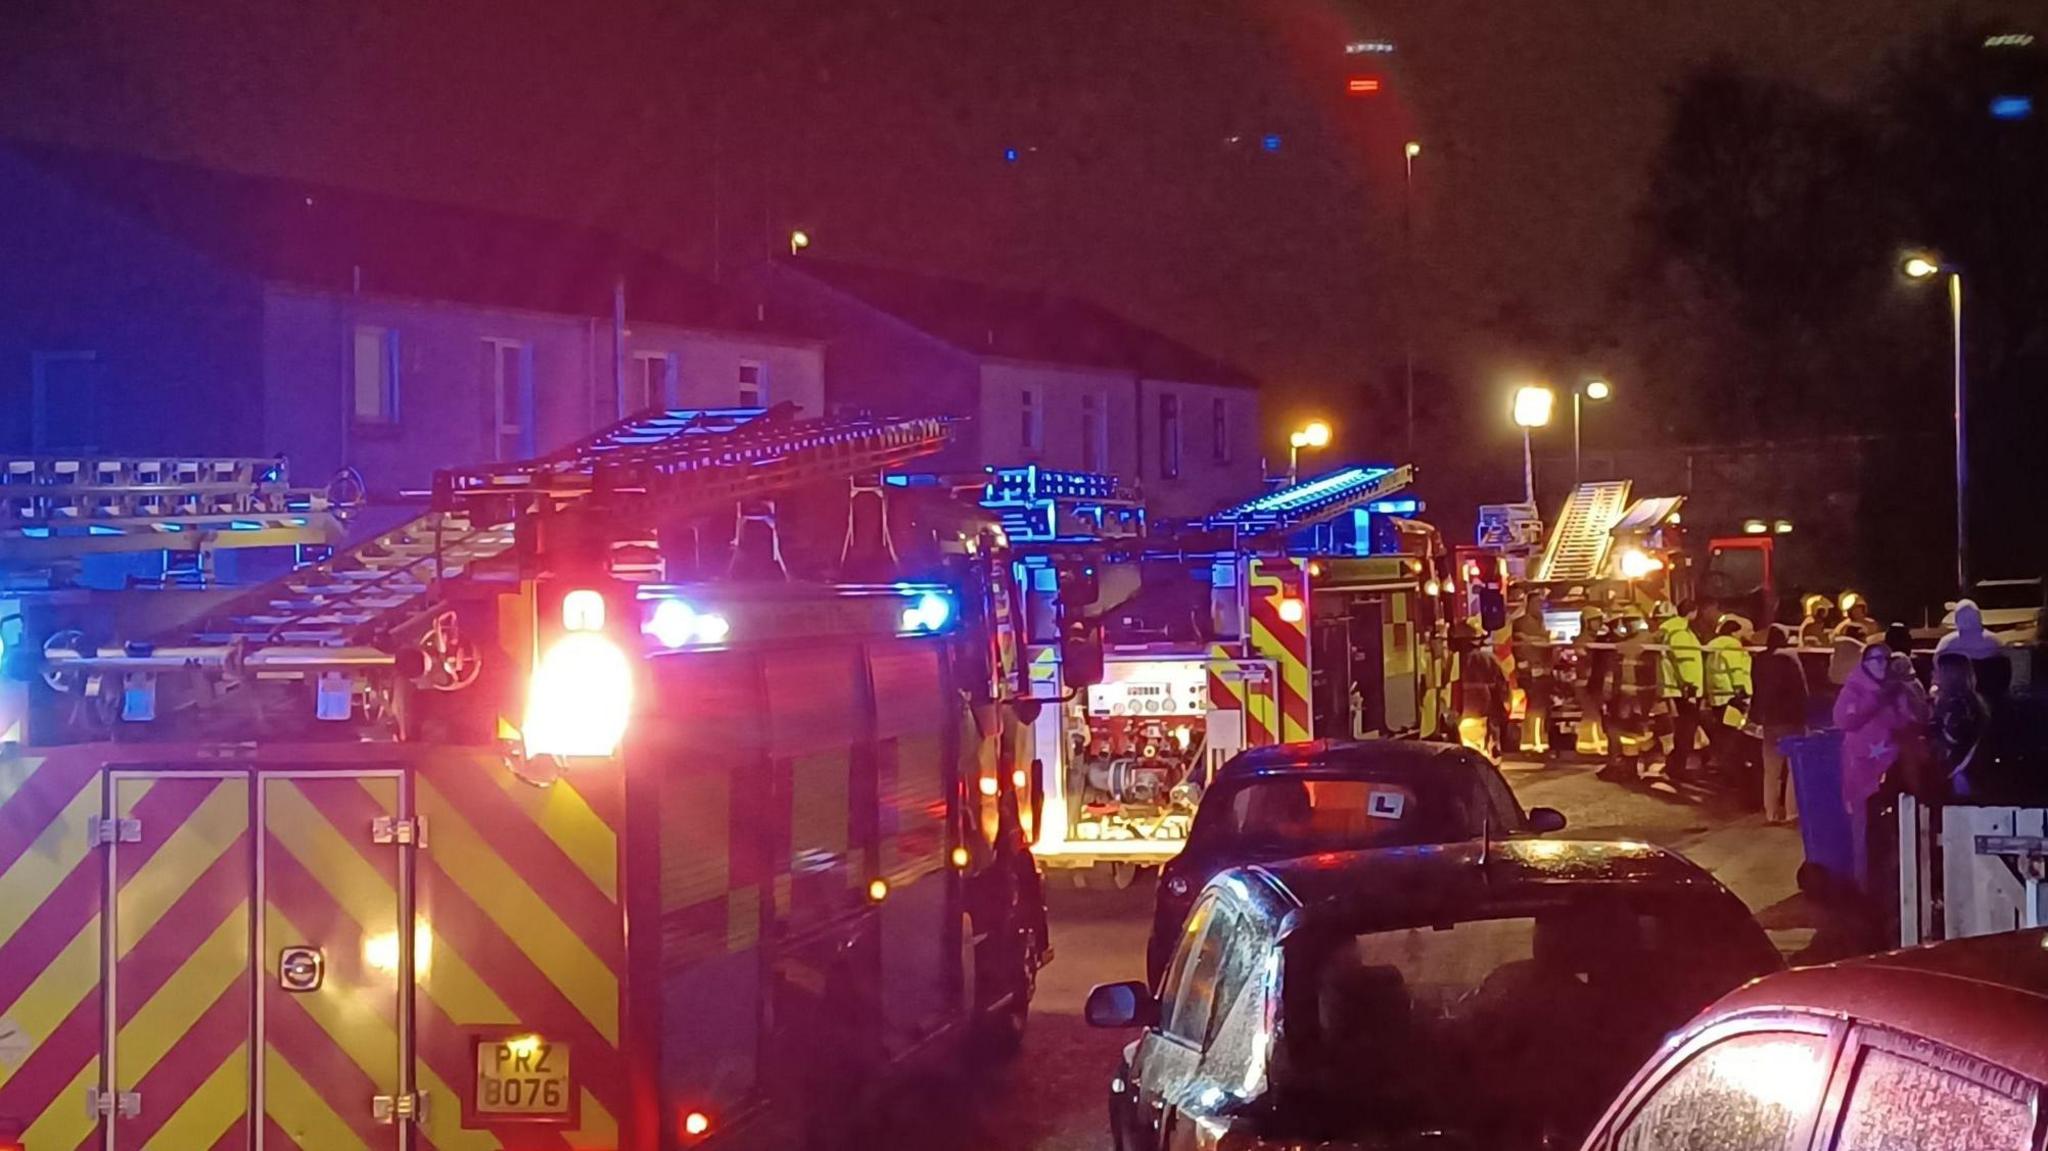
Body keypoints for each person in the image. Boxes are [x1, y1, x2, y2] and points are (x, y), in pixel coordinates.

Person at [1831, 642, 1930, 892]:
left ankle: (1896, 885)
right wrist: (1876, 700)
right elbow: (1844, 719)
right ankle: (1865, 885)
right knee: (1864, 828)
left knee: (1895, 829)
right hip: (1863, 771)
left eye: (1886, 659)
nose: (1881, 665)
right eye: (1875, 659)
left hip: (1893, 769)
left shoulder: (1895, 689)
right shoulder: (1854, 689)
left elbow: (1912, 720)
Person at [1752, 624, 1810, 823]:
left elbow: (1757, 691)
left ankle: (1771, 813)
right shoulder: (1790, 658)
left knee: (1771, 770)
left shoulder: (1760, 659)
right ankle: (1792, 812)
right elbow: (1800, 689)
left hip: (1769, 721)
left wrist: (1756, 717)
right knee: (1794, 767)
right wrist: (1805, 715)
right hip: (1791, 720)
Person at [1654, 601, 1705, 786]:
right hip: (1685, 689)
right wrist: (1690, 687)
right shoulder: (1680, 632)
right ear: (1693, 612)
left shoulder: (1670, 631)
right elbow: (1686, 661)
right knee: (1686, 731)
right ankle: (1677, 769)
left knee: (1683, 730)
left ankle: (1675, 767)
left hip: (1677, 688)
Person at [1930, 652, 1989, 798]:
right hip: (1962, 774)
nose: (1932, 673)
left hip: (1959, 776)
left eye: (1937, 669)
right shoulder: (1968, 702)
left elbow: (1951, 741)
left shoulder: (1958, 707)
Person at [1935, 598, 2002, 661]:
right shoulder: (1994, 642)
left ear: (1956, 620)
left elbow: (1937, 666)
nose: (1968, 621)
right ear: (1979, 617)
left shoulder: (1946, 644)